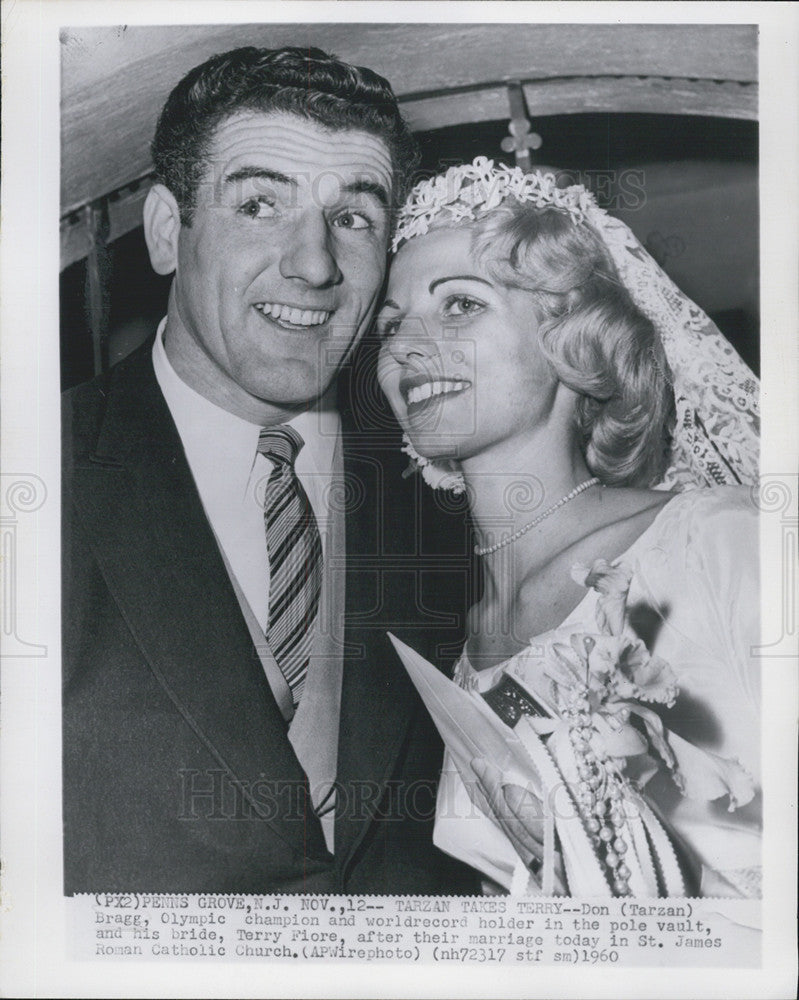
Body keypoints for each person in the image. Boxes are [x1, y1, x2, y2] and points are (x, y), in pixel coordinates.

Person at [61, 47, 479, 895]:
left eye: (355, 219)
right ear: (167, 232)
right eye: (259, 205)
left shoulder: (452, 481)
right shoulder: (35, 469)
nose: (316, 265)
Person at [377, 157, 761, 897]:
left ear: (573, 338)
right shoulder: (469, 643)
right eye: (390, 324)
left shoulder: (717, 545)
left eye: (459, 304)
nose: (405, 344)